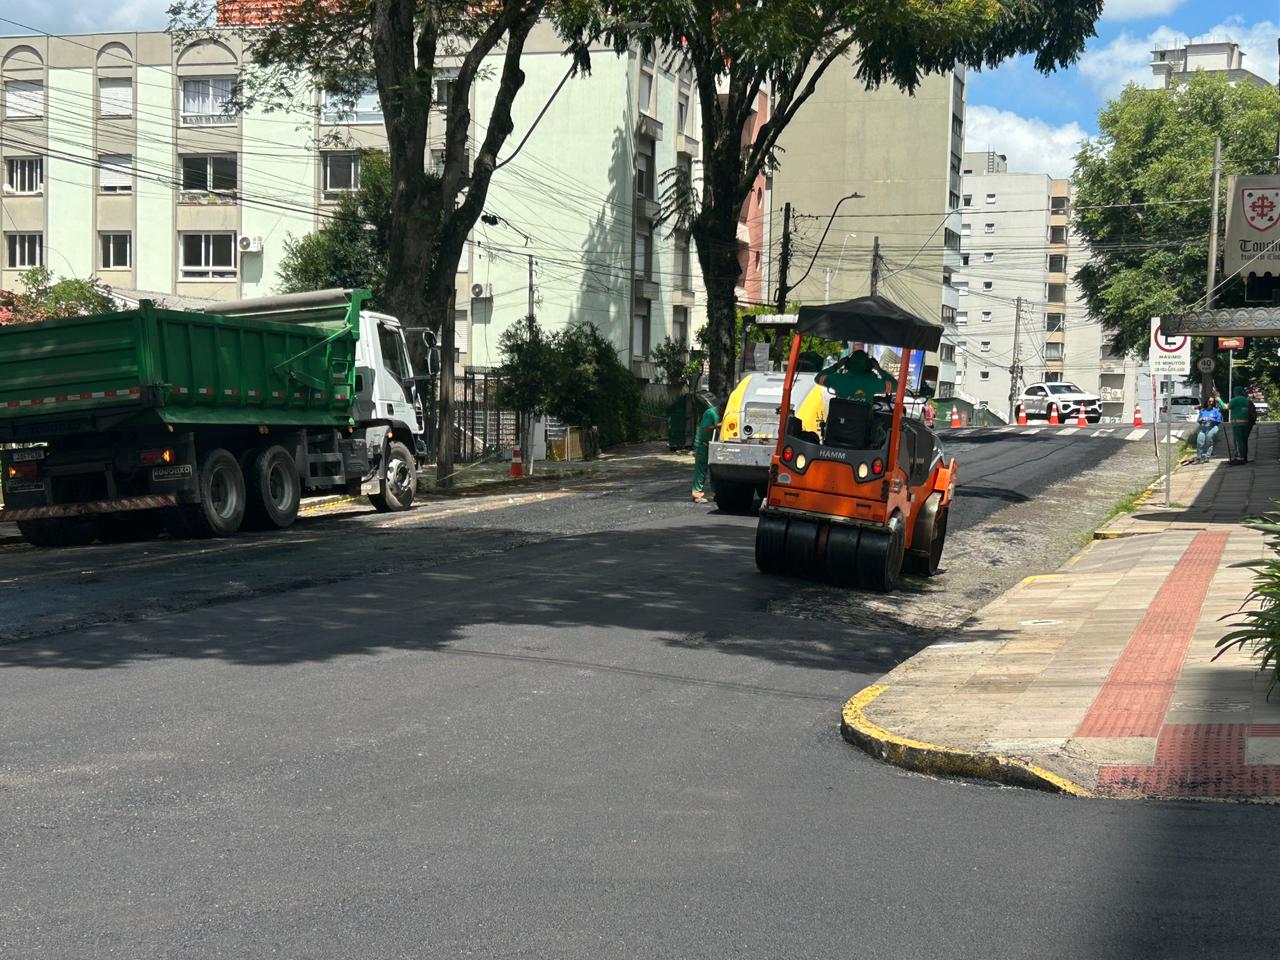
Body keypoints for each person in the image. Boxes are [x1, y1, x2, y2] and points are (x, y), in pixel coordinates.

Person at [815, 349, 896, 403]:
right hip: (862, 427)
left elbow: (818, 378)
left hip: (838, 426)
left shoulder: (837, 379)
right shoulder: (873, 383)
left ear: (847, 364)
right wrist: (879, 369)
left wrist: (837, 366)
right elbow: (896, 387)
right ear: (869, 365)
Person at [691, 396, 722, 503]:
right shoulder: (710, 413)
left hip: (713, 445)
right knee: (701, 470)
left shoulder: (722, 414)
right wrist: (717, 425)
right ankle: (696, 494)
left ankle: (717, 493)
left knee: (715, 471)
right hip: (703, 445)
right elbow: (705, 429)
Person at [1193, 398, 1221, 464]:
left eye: (1212, 401)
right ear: (1207, 401)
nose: (1210, 402)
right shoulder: (1203, 410)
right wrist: (1201, 419)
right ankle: (1199, 457)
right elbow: (1198, 420)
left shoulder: (1216, 411)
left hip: (1212, 427)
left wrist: (1212, 419)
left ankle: (1206, 457)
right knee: (1200, 441)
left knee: (1208, 440)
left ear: (1214, 403)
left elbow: (1219, 421)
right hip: (1203, 427)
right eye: (1209, 401)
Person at [1229, 384, 1252, 464]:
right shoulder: (1246, 400)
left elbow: (1226, 407)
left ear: (1235, 392)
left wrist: (1219, 400)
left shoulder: (1235, 400)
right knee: (1244, 441)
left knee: (1238, 441)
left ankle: (1240, 458)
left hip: (1237, 424)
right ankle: (1244, 457)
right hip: (1246, 423)